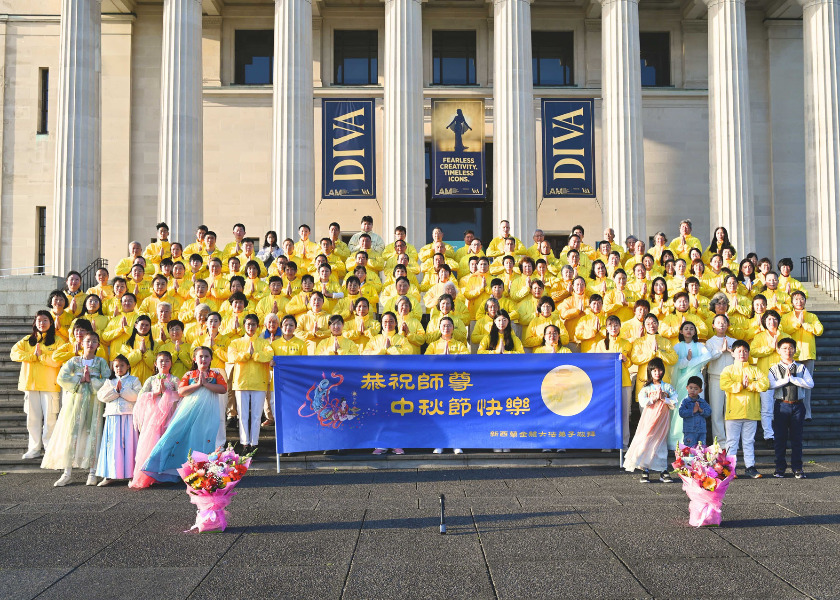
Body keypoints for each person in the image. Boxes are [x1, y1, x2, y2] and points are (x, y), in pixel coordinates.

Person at [143, 346, 227, 483]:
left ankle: (203, 472)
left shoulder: (215, 374)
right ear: (194, 359)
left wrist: (205, 383)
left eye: (206, 356)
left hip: (208, 412)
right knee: (182, 437)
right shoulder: (189, 375)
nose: (204, 359)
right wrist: (198, 384)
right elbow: (182, 391)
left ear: (211, 358)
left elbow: (223, 389)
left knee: (205, 438)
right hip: (189, 411)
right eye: (200, 356)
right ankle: (174, 469)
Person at [41, 331, 111, 487]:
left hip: (94, 403)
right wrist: (80, 379)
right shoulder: (74, 361)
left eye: (94, 341)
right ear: (81, 343)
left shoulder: (101, 362)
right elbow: (61, 377)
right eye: (88, 341)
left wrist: (91, 381)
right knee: (71, 433)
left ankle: (92, 473)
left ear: (98, 345)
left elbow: (107, 379)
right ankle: (67, 473)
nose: (90, 344)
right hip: (75, 402)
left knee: (93, 432)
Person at [10, 311, 63, 459]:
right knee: (32, 418)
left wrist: (42, 357)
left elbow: (58, 360)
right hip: (31, 384)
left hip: (49, 384)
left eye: (45, 320)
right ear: (35, 323)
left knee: (50, 419)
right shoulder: (27, 340)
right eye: (39, 320)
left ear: (51, 323)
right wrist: (33, 356)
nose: (42, 323)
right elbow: (14, 354)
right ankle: (34, 448)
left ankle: (49, 448)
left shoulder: (58, 341)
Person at [129, 351, 182, 489]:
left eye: (167, 361)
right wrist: (156, 393)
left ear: (171, 363)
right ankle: (150, 472)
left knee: (167, 441)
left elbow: (182, 395)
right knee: (151, 441)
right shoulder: (151, 380)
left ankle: (166, 474)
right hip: (154, 414)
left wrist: (168, 393)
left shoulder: (175, 379)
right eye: (161, 361)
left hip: (170, 414)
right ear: (155, 363)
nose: (164, 363)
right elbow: (141, 396)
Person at [720, 340, 769, 478]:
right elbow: (725, 384)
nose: (742, 353)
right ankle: (730, 468)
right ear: (733, 353)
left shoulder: (755, 370)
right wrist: (740, 385)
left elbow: (765, 384)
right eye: (739, 351)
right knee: (732, 441)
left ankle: (750, 467)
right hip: (734, 412)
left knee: (749, 441)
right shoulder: (728, 370)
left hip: (751, 412)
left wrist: (751, 385)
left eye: (745, 351)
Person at [623, 358, 678, 483]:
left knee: (661, 442)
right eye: (654, 371)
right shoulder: (647, 388)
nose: (657, 373)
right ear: (650, 372)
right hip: (649, 418)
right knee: (646, 440)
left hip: (663, 419)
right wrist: (653, 399)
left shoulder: (667, 387)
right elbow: (642, 402)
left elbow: (675, 401)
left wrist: (665, 399)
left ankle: (663, 470)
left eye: (659, 370)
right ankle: (645, 468)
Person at [228, 313, 275, 452]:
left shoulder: (264, 343)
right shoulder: (235, 342)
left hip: (259, 382)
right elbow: (232, 356)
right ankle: (245, 443)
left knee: (256, 416)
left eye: (253, 324)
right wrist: (247, 354)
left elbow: (269, 356)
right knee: (242, 415)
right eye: (248, 324)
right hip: (241, 382)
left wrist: (255, 355)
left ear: (258, 326)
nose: (251, 327)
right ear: (244, 326)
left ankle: (254, 443)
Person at [769, 338, 815, 478]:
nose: (787, 351)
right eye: (784, 348)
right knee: (780, 438)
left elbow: (810, 384)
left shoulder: (801, 367)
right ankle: (780, 468)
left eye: (790, 348)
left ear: (794, 350)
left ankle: (797, 468)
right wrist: (785, 380)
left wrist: (794, 379)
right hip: (781, 405)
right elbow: (770, 384)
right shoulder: (774, 368)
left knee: (797, 439)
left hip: (797, 405)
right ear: (778, 350)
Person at [94, 354, 141, 486]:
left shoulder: (134, 380)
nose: (119, 368)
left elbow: (138, 396)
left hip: (129, 416)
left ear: (128, 366)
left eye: (122, 365)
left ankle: (132, 474)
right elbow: (101, 396)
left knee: (130, 445)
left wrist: (123, 391)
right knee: (112, 445)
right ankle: (110, 475)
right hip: (113, 417)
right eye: (116, 366)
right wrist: (115, 391)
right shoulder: (109, 381)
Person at [668, 321, 711, 450]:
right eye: (686, 328)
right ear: (681, 331)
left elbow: (708, 356)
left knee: (697, 406)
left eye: (692, 328)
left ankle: (697, 439)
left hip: (696, 379)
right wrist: (687, 360)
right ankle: (678, 439)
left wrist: (690, 362)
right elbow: (675, 364)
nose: (689, 331)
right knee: (682, 408)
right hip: (682, 381)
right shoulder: (676, 347)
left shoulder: (699, 345)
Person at [780, 291, 822, 420]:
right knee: (789, 383)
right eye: (796, 299)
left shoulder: (812, 316)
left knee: (807, 385)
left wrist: (805, 324)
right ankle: (790, 412)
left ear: (805, 300)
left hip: (808, 354)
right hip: (791, 355)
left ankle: (807, 413)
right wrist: (797, 324)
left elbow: (819, 330)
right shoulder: (786, 316)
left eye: (801, 299)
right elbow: (784, 330)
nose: (799, 301)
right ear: (792, 302)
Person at [591, 316, 632, 449]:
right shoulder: (601, 344)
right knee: (607, 413)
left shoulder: (627, 343)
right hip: (607, 384)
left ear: (620, 327)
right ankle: (607, 442)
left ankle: (624, 442)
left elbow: (631, 363)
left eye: (616, 325)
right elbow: (597, 363)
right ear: (606, 328)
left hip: (624, 382)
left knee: (625, 414)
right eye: (610, 325)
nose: (613, 328)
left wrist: (626, 360)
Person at [705, 314, 736, 445]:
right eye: (718, 322)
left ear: (728, 325)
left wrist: (732, 352)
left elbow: (740, 357)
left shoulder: (734, 341)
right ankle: (720, 442)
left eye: (724, 322)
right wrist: (721, 351)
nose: (721, 324)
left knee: (730, 411)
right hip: (715, 377)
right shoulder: (710, 342)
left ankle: (731, 440)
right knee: (716, 411)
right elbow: (707, 358)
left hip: (731, 378)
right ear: (713, 325)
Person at [677, 375, 711, 447]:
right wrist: (692, 411)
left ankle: (700, 458)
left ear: (700, 390)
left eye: (696, 389)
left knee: (701, 449)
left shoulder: (702, 402)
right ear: (687, 388)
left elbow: (709, 412)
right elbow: (681, 412)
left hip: (701, 431)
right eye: (691, 388)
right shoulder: (685, 402)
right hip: (690, 431)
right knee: (690, 449)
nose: (693, 390)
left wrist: (701, 410)